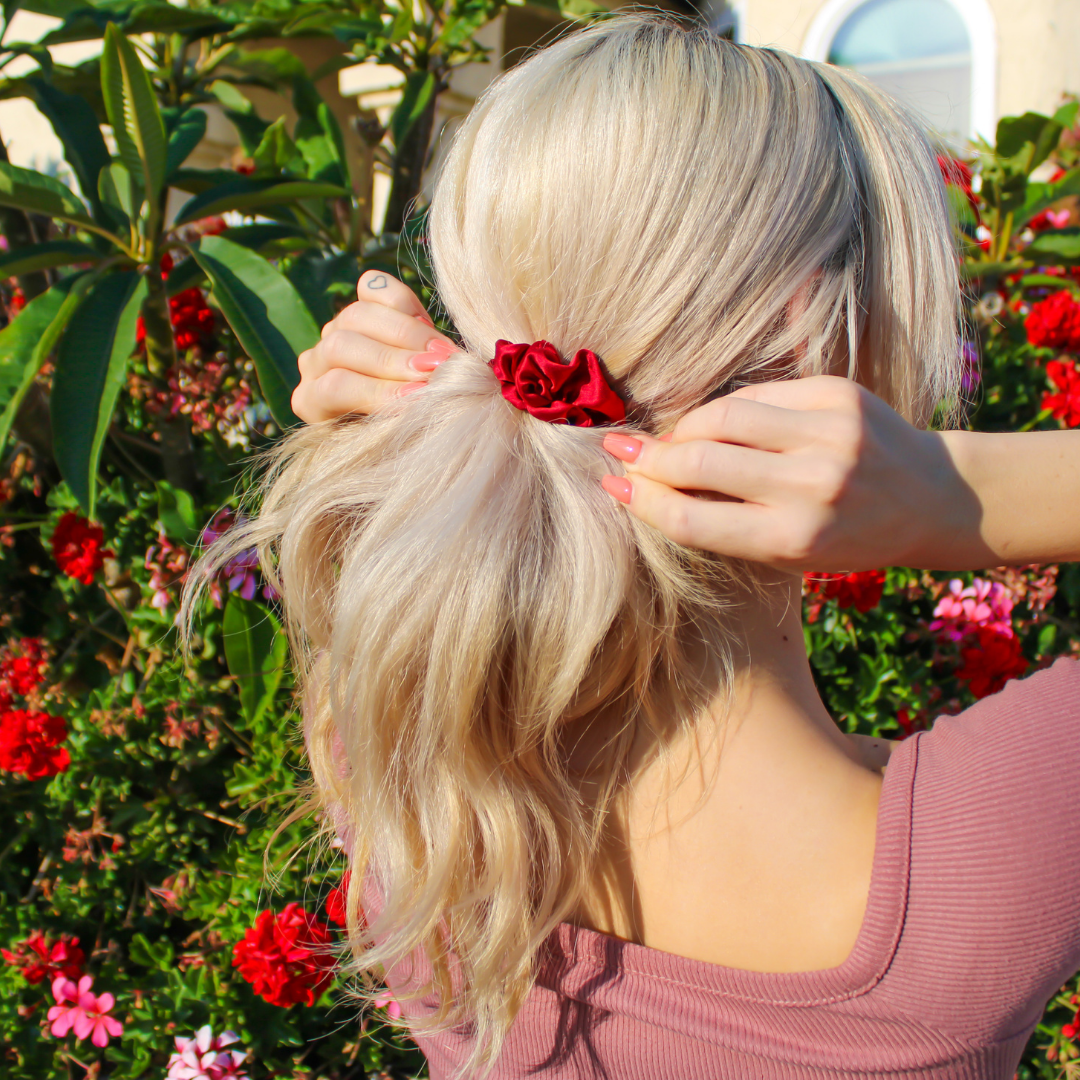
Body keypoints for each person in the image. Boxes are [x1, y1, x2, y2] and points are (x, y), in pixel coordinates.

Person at [193, 15, 1080, 1079]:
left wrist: (376, 457)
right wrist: (957, 491)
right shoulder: (989, 851)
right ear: (820, 347)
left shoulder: (397, 756)